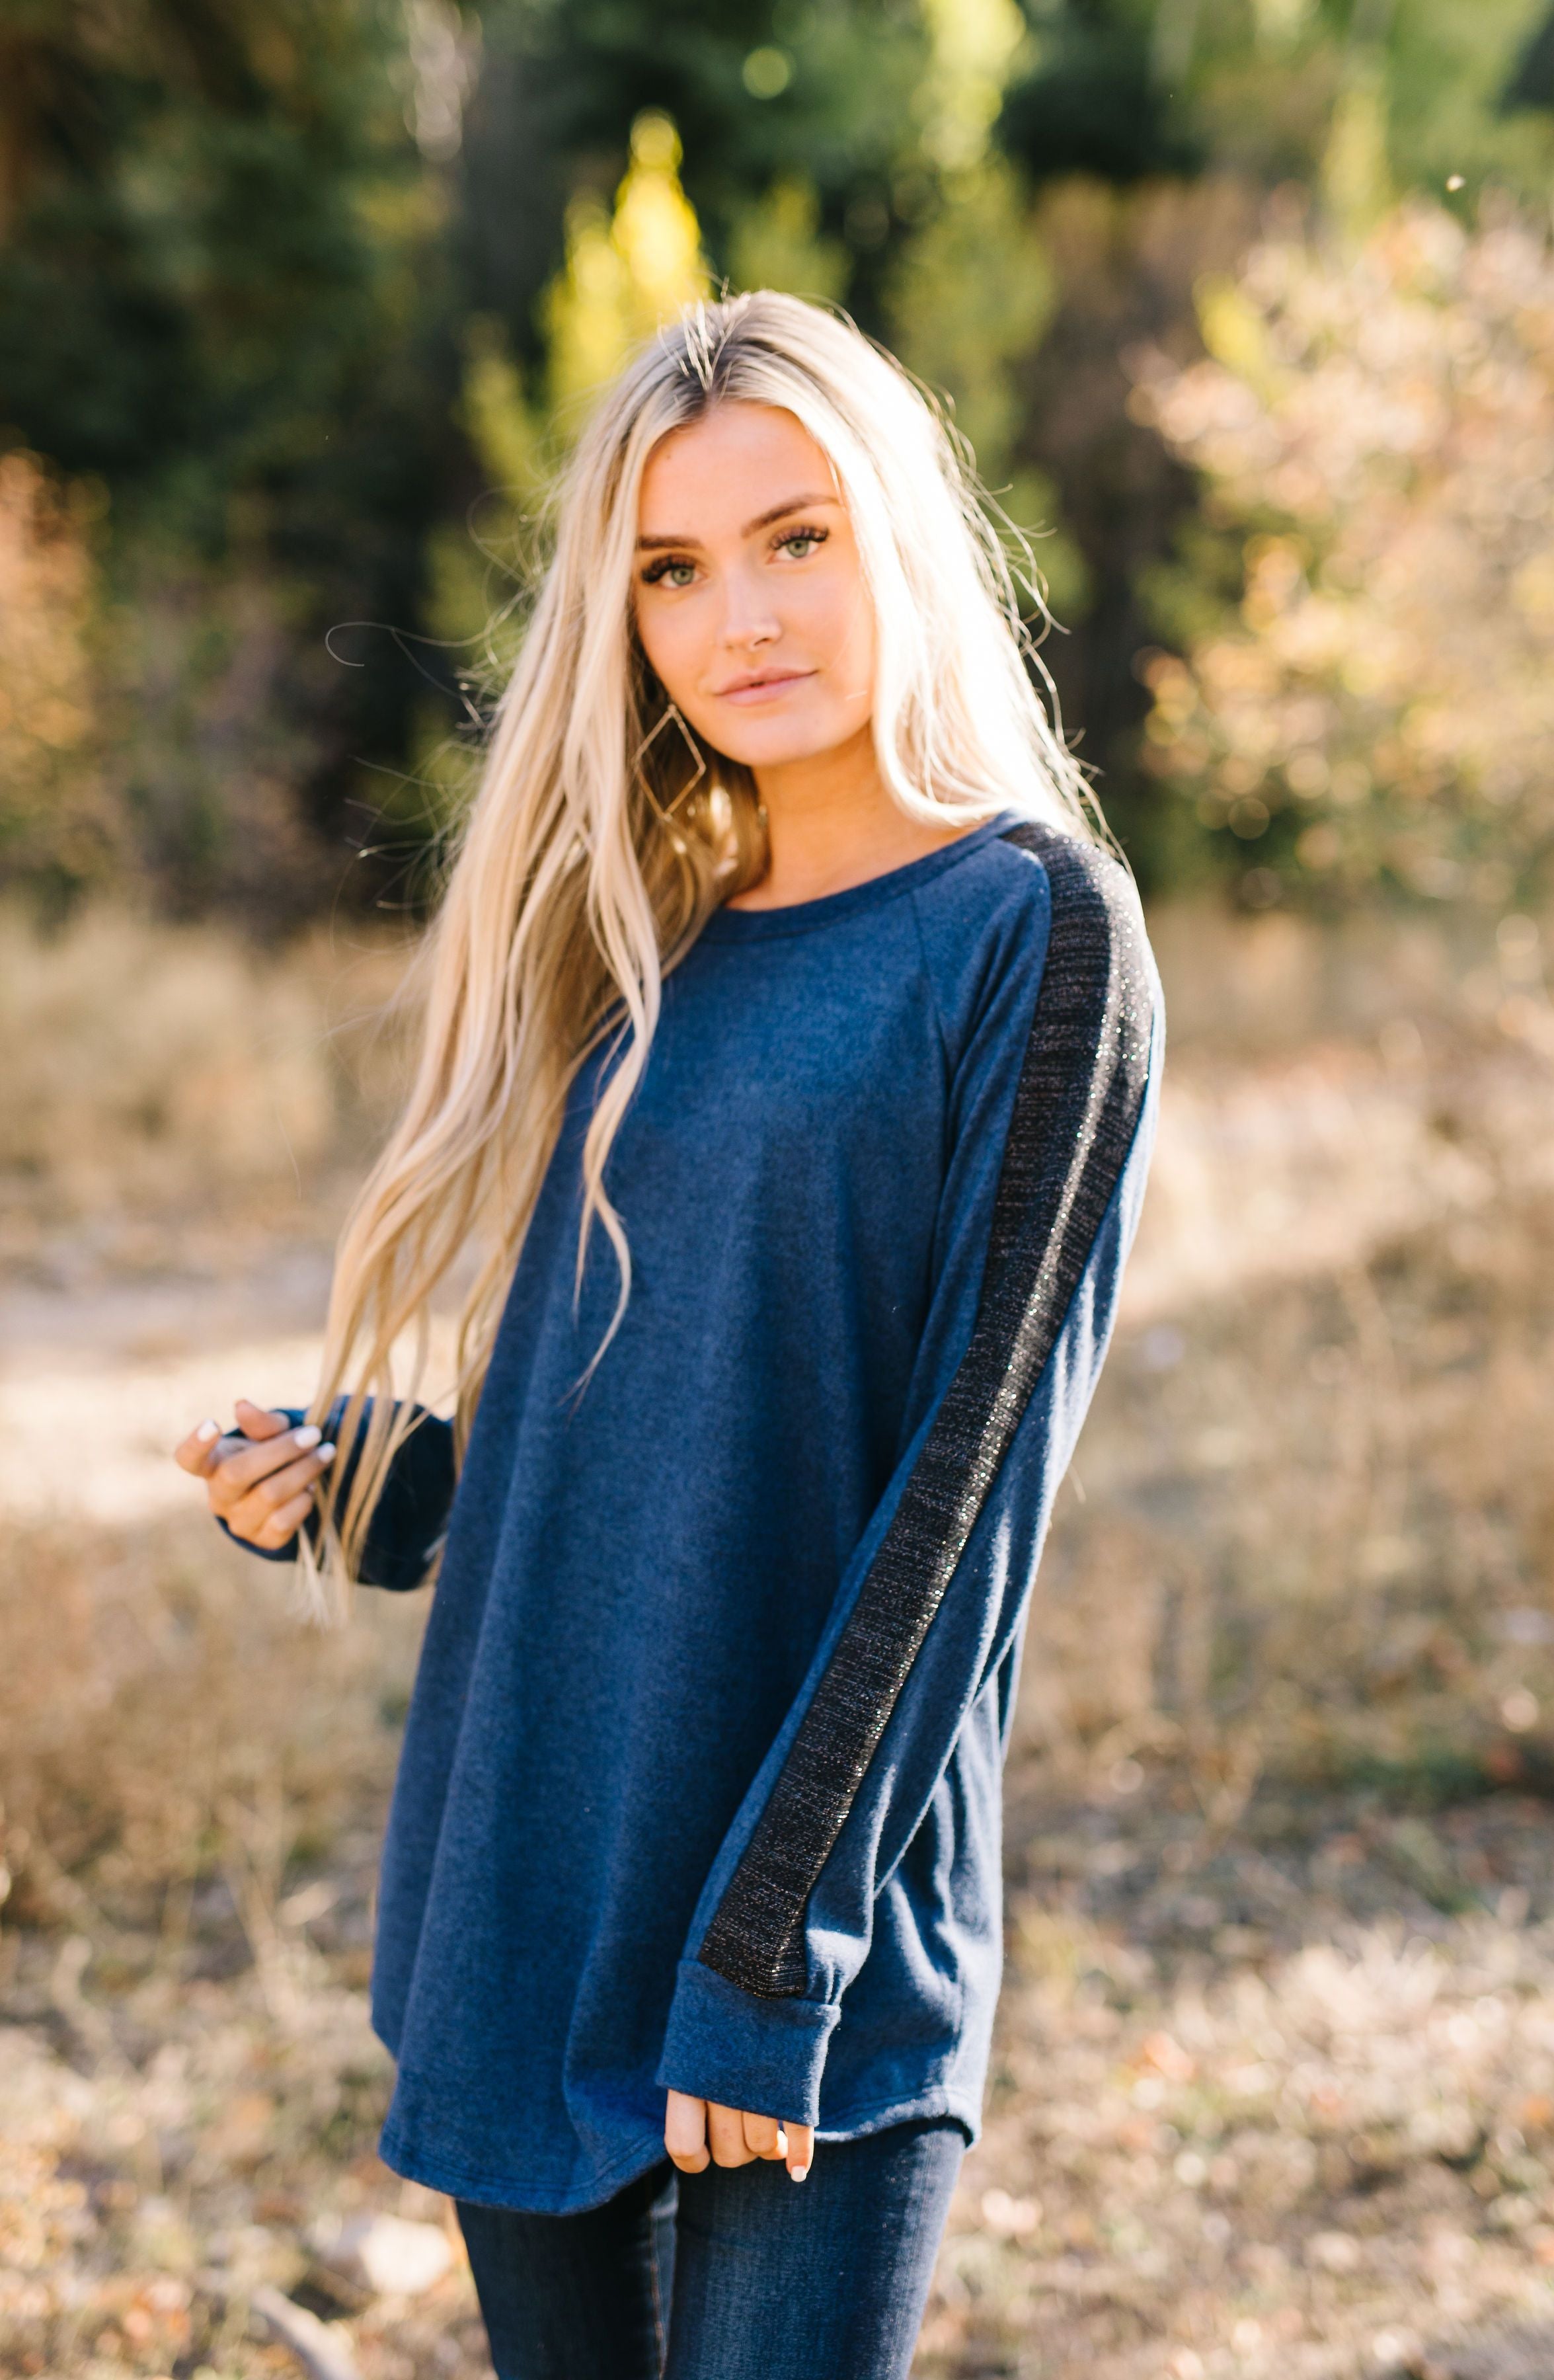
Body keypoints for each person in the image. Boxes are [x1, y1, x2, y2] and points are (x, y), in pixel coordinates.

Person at [173, 291, 1163, 2380]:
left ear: (899, 532)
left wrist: (770, 1949)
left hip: (793, 1920)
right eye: (673, 569)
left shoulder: (1033, 929)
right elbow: (630, 1423)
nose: (744, 617)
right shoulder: (642, 950)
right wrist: (373, 1484)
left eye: (796, 537)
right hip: (537, 1857)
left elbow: (968, 1490)